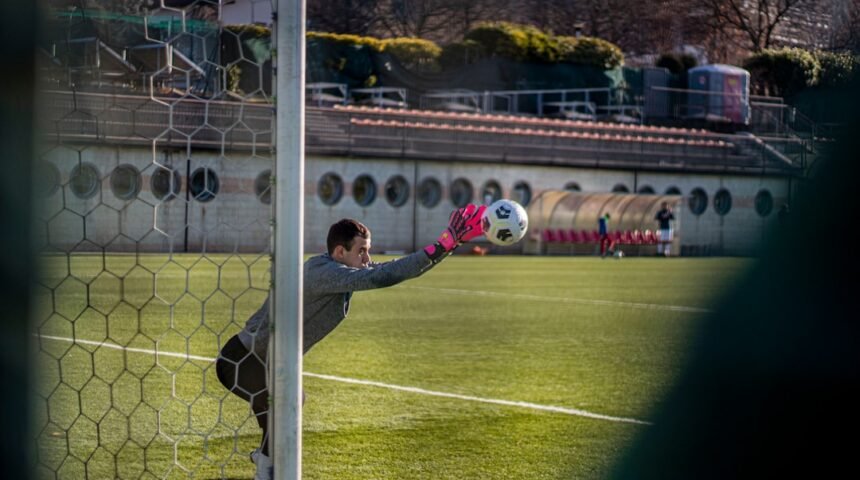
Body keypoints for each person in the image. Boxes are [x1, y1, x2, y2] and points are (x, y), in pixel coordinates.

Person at [215, 204, 486, 480]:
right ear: (340, 252)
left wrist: (447, 247)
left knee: (286, 412)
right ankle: (266, 468)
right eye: (361, 250)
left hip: (267, 365)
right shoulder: (324, 272)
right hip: (242, 360)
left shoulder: (338, 272)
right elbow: (381, 276)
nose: (367, 257)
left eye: (368, 250)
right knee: (288, 407)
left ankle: (265, 461)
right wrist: (442, 244)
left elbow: (394, 269)